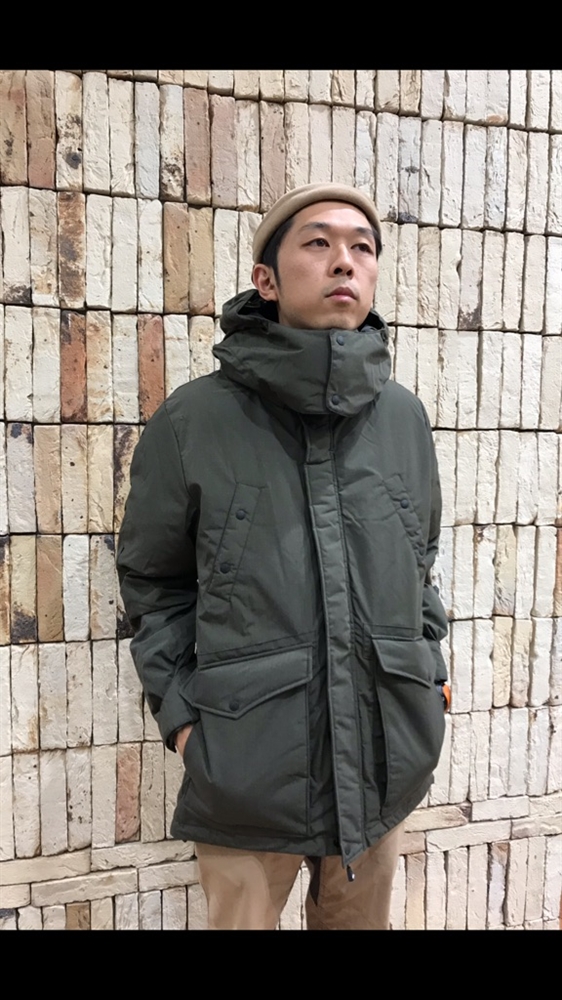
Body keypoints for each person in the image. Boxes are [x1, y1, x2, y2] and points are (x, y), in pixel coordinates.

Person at [117, 182, 450, 931]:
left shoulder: (403, 417)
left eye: (362, 247)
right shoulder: (195, 420)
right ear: (265, 280)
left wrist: (429, 672)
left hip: (383, 763)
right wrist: (184, 720)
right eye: (319, 243)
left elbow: (419, 560)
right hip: (246, 770)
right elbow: (152, 580)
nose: (345, 261)